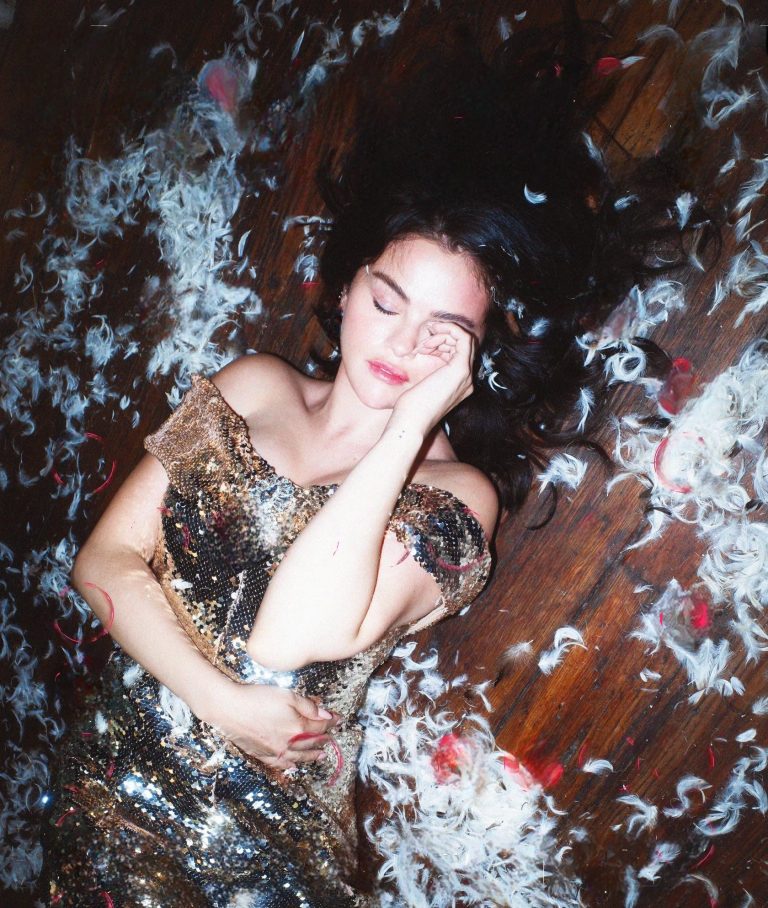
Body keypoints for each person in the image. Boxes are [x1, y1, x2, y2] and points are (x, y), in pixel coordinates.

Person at [43, 9, 720, 907]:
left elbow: (287, 637)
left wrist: (409, 425)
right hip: (100, 798)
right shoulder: (254, 386)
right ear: (349, 285)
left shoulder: (459, 495)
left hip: (253, 855)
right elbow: (102, 562)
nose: (402, 345)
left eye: (444, 331)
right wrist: (225, 702)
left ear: (478, 350)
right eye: (388, 301)